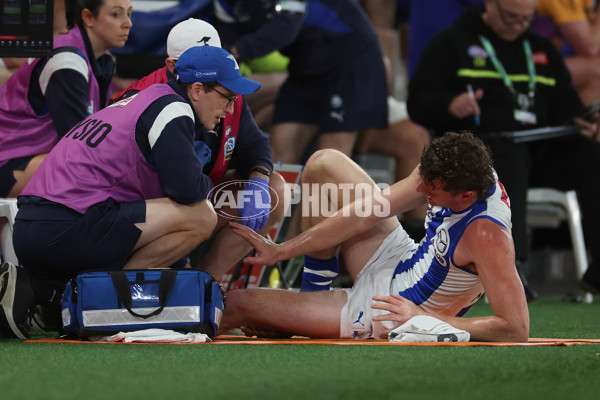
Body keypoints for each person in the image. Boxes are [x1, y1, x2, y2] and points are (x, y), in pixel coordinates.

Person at [0, 46, 271, 339]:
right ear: (195, 89)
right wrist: (202, 177)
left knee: (175, 215)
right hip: (67, 226)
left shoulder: (140, 100)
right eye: (227, 97)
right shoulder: (173, 108)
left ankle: (45, 293)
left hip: (35, 226)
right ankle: (105, 304)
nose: (230, 109)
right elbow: (186, 190)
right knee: (201, 216)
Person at [219, 132, 529, 342]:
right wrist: (283, 250)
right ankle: (309, 298)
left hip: (391, 310)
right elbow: (366, 212)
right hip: (401, 258)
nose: (418, 192)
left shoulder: (488, 234)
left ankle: (176, 326)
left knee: (238, 303)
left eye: (430, 193)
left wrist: (422, 318)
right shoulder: (456, 167)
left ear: (466, 195)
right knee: (323, 164)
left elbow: (515, 329)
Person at [406, 0, 600, 297]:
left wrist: (586, 120)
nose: (518, 25)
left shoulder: (542, 49)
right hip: (482, 156)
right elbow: (417, 102)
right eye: (511, 17)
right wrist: (450, 105)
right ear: (490, 4)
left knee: (593, 154)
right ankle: (512, 265)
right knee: (505, 150)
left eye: (526, 19)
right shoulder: (452, 43)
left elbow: (566, 109)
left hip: (541, 151)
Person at [112, 17, 288, 276]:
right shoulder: (145, 98)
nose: (209, 67)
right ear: (173, 66)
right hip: (143, 207)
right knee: (198, 213)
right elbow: (142, 183)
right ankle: (120, 293)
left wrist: (259, 178)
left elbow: (254, 144)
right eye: (197, 61)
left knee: (275, 188)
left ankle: (206, 285)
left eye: (213, 58)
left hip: (196, 196)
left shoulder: (225, 89)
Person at [212, 0, 388, 164]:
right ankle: (278, 197)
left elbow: (285, 27)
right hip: (304, 65)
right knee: (277, 154)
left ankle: (334, 194)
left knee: (330, 158)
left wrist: (236, 51)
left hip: (349, 59)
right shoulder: (222, 3)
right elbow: (225, 37)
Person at [0, 0, 133, 198]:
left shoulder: (103, 59)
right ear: (88, 18)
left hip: (37, 154)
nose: (127, 23)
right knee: (103, 173)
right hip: (9, 159)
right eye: (116, 14)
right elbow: (81, 144)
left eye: (129, 14)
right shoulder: (65, 61)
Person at [531, 0, 600, 105]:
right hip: (529, 64)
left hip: (558, 61)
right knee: (597, 71)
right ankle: (576, 118)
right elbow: (589, 48)